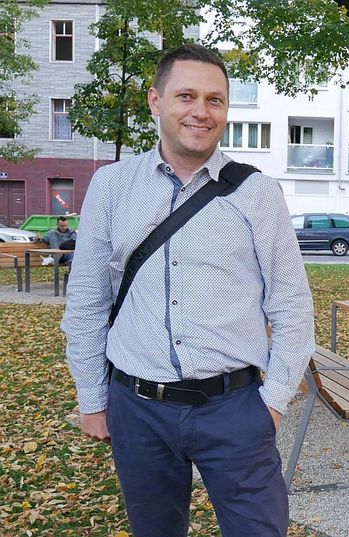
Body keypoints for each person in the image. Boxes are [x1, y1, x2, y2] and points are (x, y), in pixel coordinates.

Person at [61, 44, 315, 537]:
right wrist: (92, 399)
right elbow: (87, 299)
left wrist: (274, 401)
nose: (201, 111)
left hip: (235, 408)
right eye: (186, 96)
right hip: (138, 408)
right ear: (156, 102)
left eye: (215, 100)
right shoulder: (112, 186)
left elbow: (291, 305)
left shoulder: (257, 193)